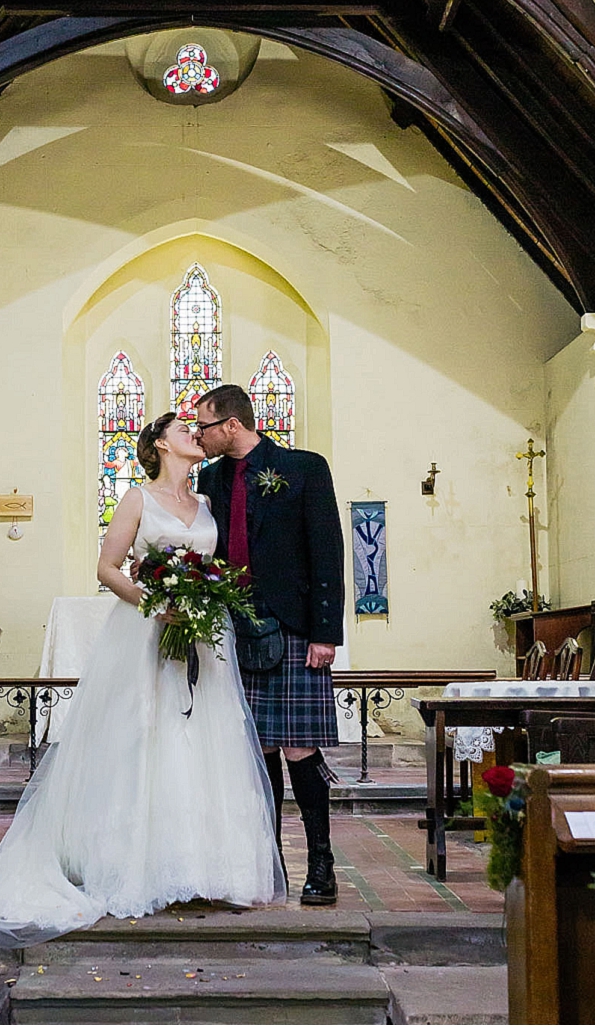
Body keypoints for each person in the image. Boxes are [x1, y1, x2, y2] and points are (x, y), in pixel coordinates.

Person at [0, 413, 284, 940]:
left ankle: (203, 866)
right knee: (143, 737)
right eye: (182, 429)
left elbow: (215, 564)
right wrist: (155, 603)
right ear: (158, 444)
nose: (193, 435)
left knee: (203, 739)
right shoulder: (137, 499)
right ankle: (133, 863)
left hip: (202, 636)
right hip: (146, 635)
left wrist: (201, 597)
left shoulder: (207, 504)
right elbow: (107, 568)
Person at [194, 383, 347, 905]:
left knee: (301, 749)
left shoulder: (304, 468)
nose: (200, 435)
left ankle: (321, 862)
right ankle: (269, 861)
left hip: (293, 627)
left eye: (206, 427)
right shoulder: (210, 476)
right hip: (234, 628)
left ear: (232, 424)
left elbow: (327, 550)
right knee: (256, 754)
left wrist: (326, 633)